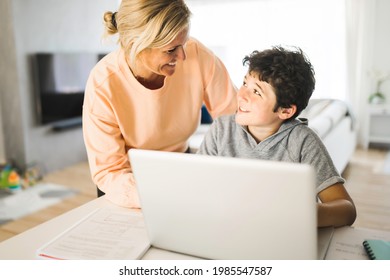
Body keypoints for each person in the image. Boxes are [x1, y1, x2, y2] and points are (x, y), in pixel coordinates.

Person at [83, 0, 237, 208]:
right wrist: (157, 198)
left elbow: (235, 118)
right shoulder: (103, 82)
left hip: (180, 167)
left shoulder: (197, 55)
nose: (182, 56)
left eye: (184, 43)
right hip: (127, 184)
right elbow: (110, 171)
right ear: (135, 45)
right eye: (171, 49)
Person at [197, 46, 357, 228]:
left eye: (256, 92)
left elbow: (347, 210)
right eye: (244, 83)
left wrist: (303, 214)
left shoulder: (302, 142)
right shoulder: (221, 130)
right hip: (225, 227)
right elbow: (198, 185)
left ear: (286, 110)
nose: (241, 95)